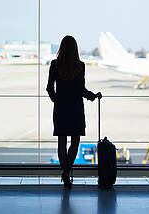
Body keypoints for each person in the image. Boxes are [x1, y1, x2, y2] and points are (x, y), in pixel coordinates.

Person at [46, 35, 102, 189]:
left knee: (61, 142)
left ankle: (64, 172)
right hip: (76, 108)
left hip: (61, 108)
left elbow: (49, 88)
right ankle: (66, 172)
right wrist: (93, 96)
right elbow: (81, 89)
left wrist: (56, 100)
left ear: (61, 48)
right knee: (75, 142)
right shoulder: (80, 66)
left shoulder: (55, 65)